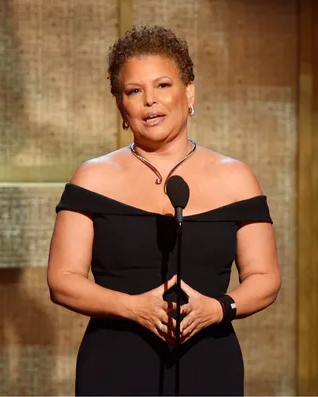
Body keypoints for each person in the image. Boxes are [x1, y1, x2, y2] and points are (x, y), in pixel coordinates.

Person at [47, 25, 281, 396]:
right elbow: (63, 279)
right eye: (134, 91)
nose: (149, 101)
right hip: (114, 364)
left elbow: (265, 277)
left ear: (189, 92)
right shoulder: (93, 177)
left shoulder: (235, 177)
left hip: (208, 363)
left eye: (163, 86)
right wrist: (133, 308)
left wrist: (220, 308)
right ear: (120, 106)